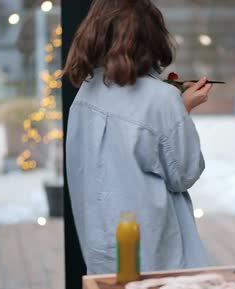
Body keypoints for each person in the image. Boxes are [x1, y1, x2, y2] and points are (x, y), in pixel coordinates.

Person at [64, 0, 213, 274]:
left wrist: (174, 107)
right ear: (152, 37)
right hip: (155, 258)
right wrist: (181, 109)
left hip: (102, 250)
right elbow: (185, 173)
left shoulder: (86, 93)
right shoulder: (162, 100)